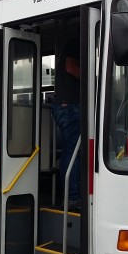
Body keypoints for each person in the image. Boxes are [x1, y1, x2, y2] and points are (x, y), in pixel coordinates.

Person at [52, 38, 81, 207]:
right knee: (74, 152)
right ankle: (72, 197)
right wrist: (92, 76)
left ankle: (71, 194)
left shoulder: (70, 44)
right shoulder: (74, 43)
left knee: (71, 151)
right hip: (69, 105)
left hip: (65, 105)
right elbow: (70, 68)